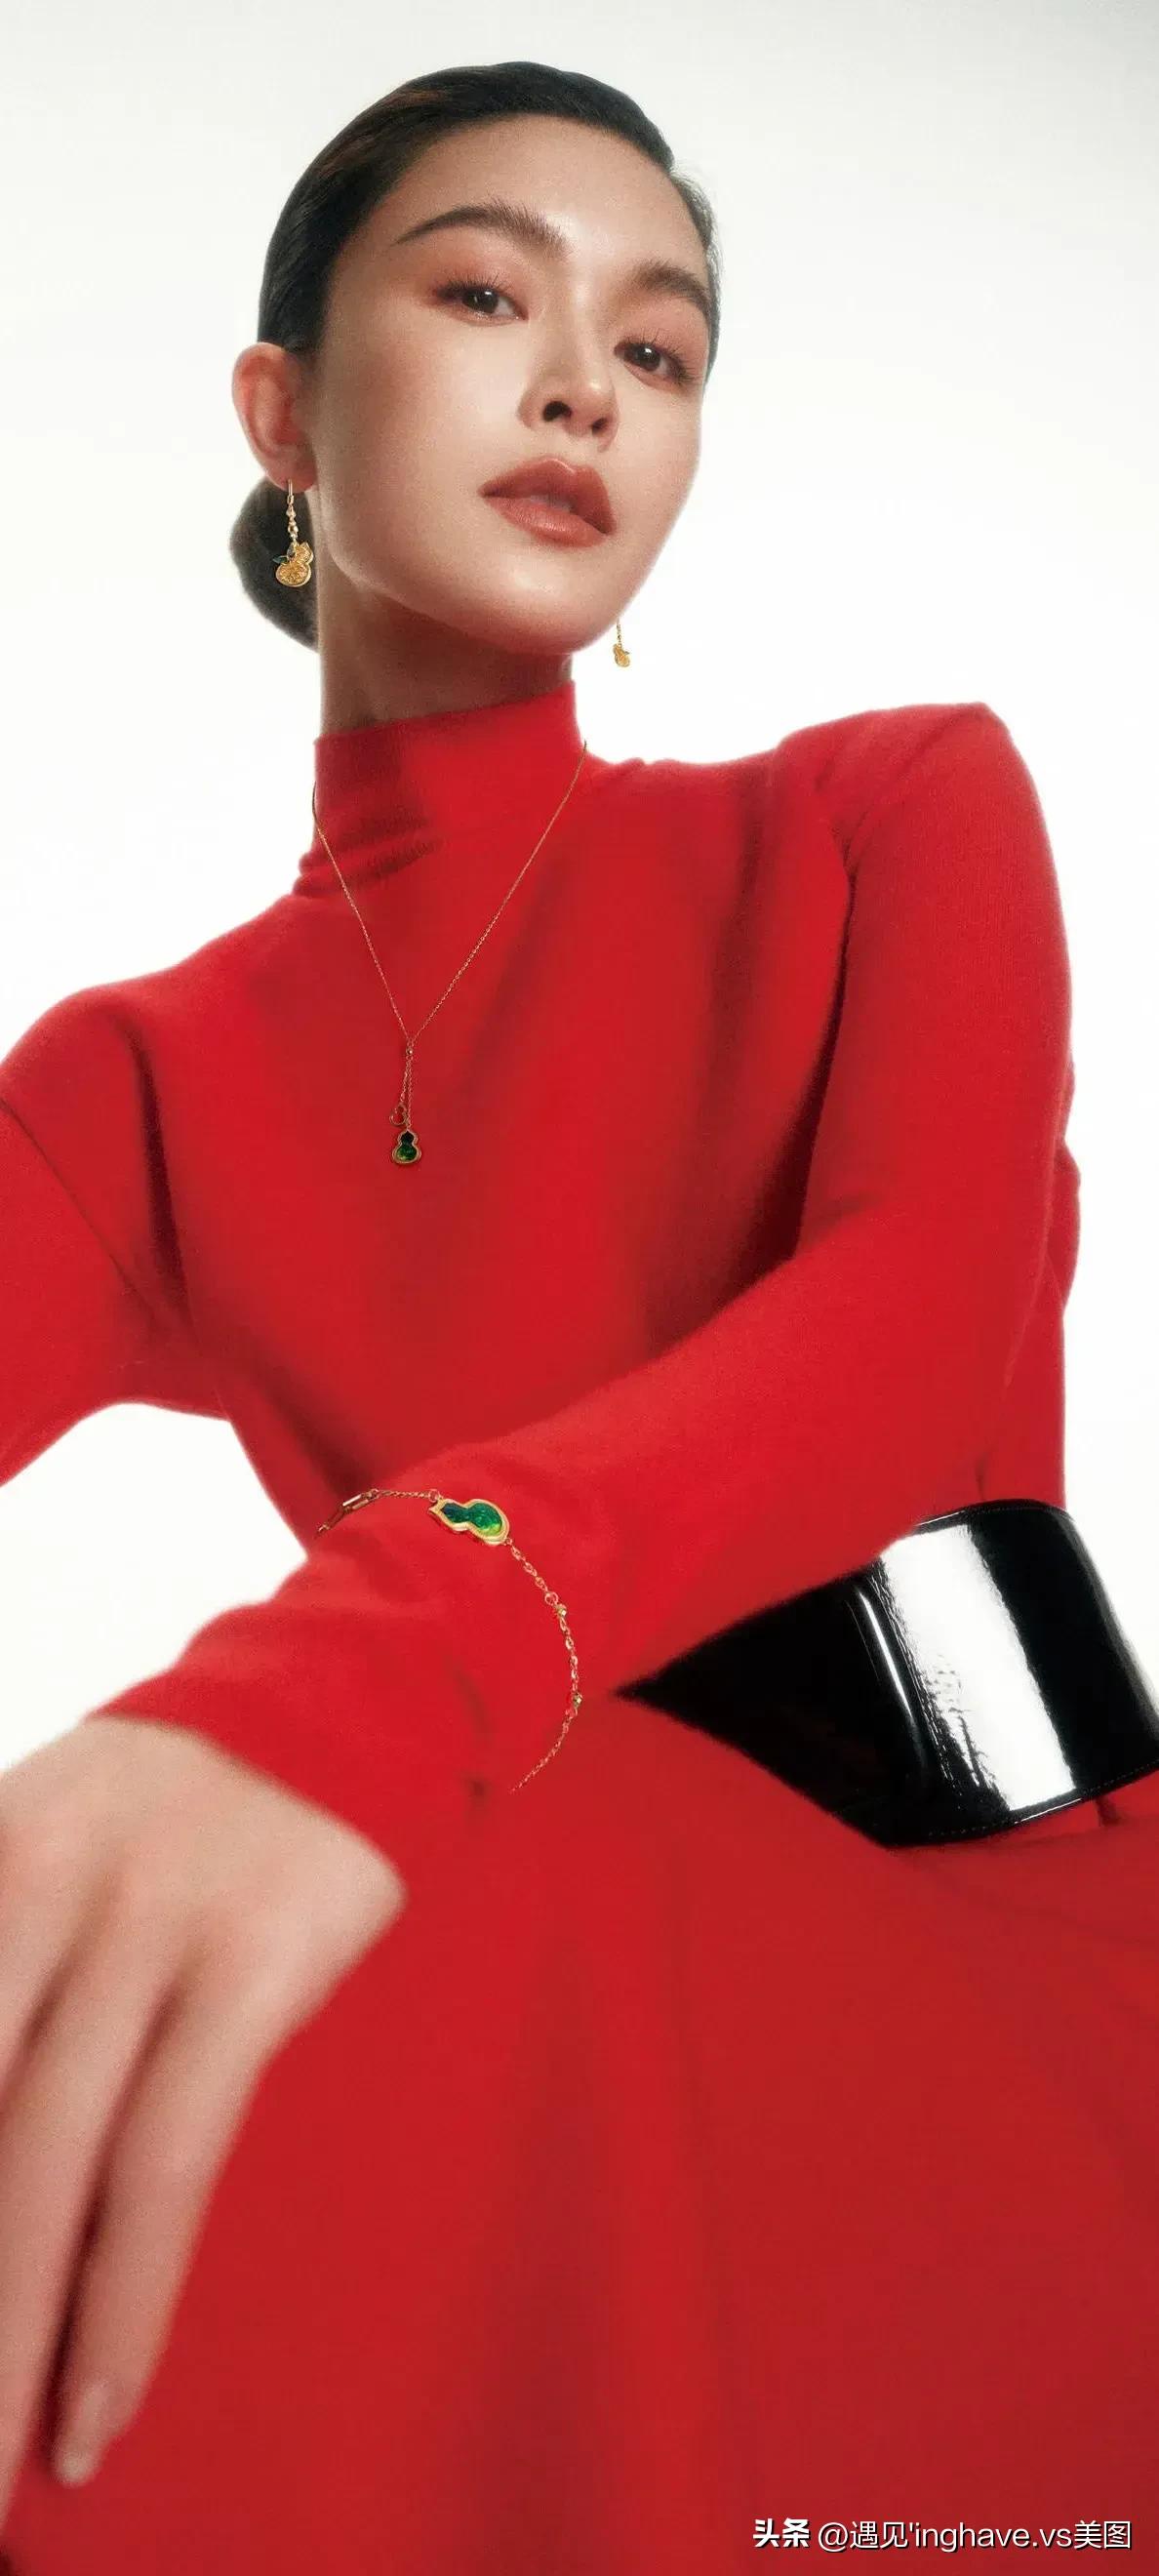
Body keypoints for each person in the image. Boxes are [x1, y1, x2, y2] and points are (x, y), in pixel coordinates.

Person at [1, 57, 1157, 2576]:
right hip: (468, 1933)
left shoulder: (890, 808)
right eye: (485, 295)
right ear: (281, 413)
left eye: (658, 347)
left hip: (966, 1931)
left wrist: (359, 1674)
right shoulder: (136, 1087)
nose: (582, 390)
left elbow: (903, 1337)